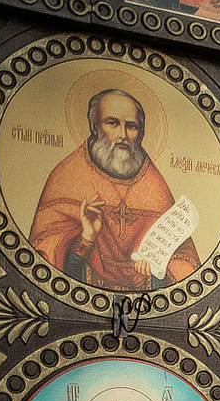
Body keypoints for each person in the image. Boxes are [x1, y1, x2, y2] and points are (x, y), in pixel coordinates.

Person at [28, 87, 201, 291]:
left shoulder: (155, 187)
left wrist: (156, 270)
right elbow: (46, 264)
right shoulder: (66, 178)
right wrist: (86, 239)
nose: (123, 135)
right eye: (112, 123)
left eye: (131, 126)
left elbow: (184, 265)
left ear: (141, 132)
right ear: (95, 126)